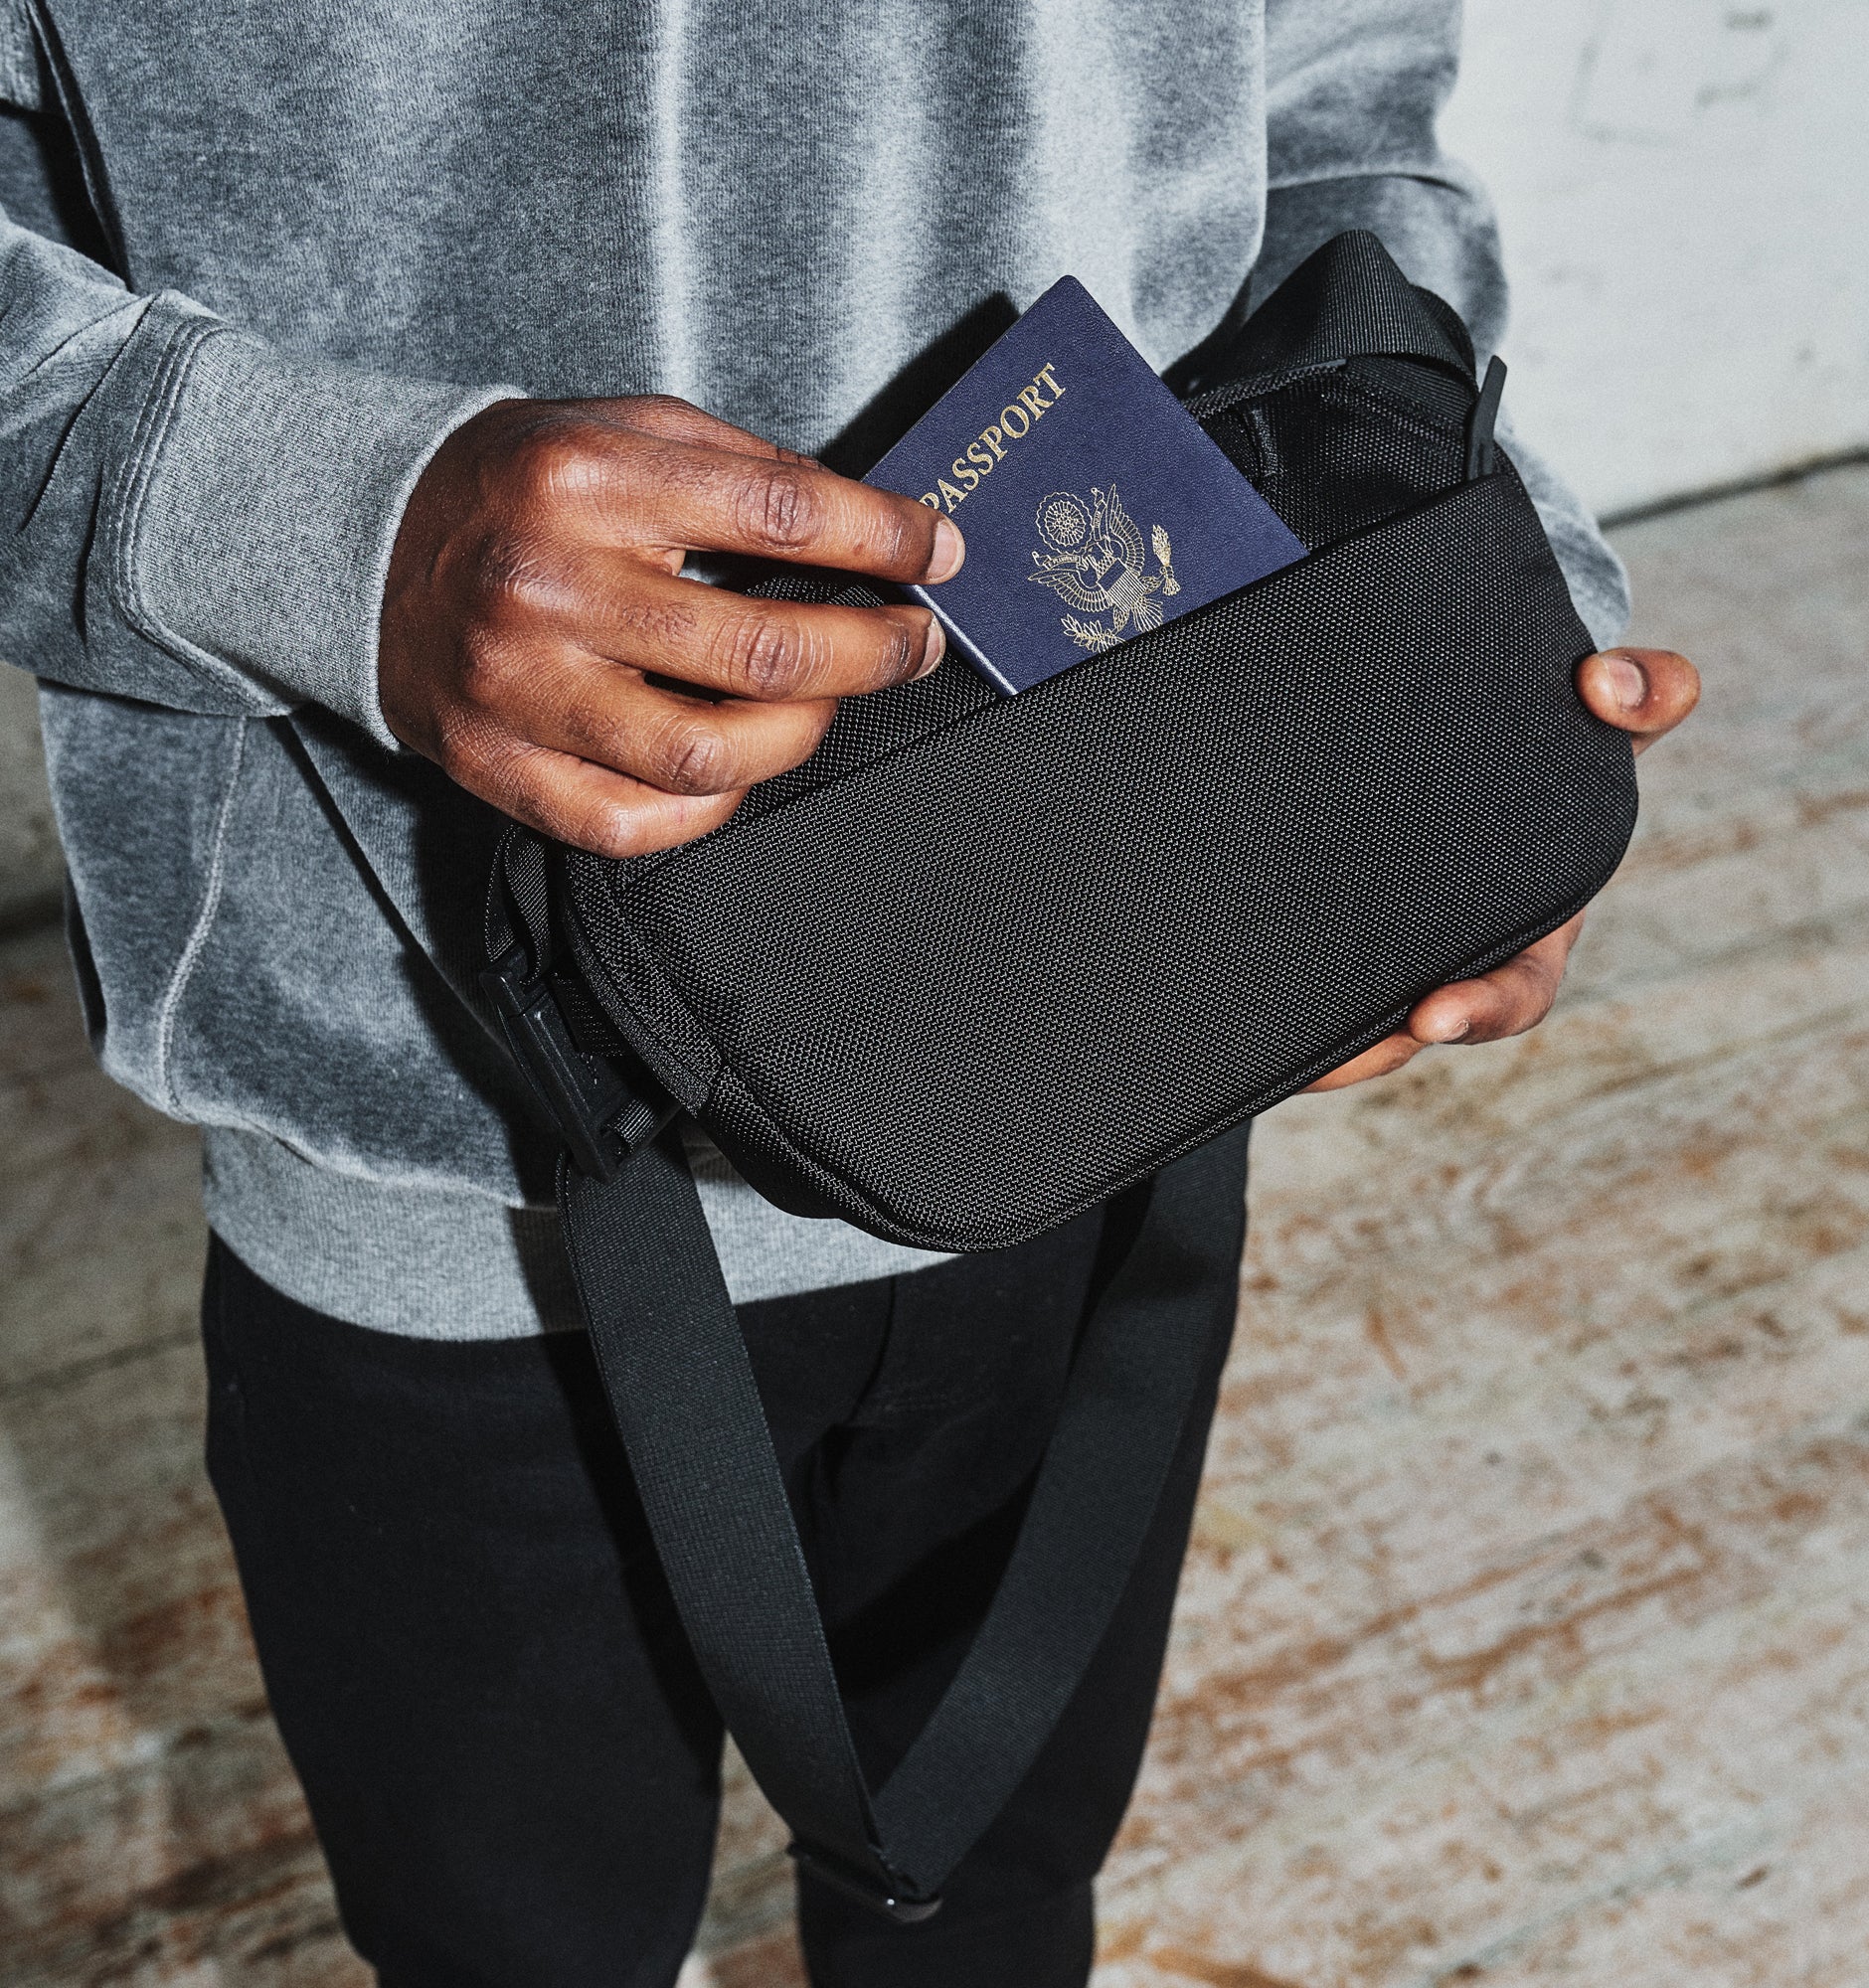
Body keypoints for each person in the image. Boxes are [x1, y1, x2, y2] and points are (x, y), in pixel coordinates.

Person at [0, 5, 1697, 1984]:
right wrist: (336, 528)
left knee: (996, 1899)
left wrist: (1467, 621)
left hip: (1130, 1037)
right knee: (512, 1946)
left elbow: (1331, 105)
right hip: (453, 1179)